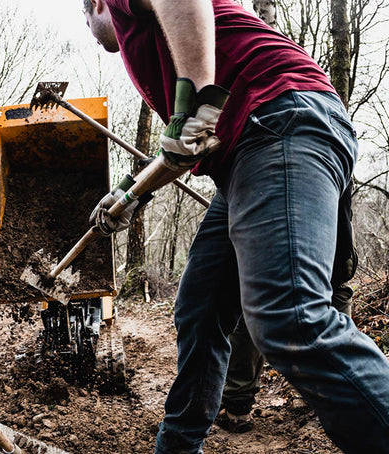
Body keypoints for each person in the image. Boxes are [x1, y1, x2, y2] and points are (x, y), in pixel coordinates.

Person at [82, 0, 389, 453]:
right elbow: (188, 142)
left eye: (83, 17)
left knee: (291, 317)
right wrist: (131, 193)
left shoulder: (130, 11)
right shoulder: (160, 43)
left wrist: (199, 101)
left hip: (281, 121)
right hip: (247, 148)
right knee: (200, 308)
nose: (88, 28)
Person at [218, 182, 358, 432]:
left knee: (253, 300)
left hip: (291, 242)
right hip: (336, 248)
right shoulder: (338, 148)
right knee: (334, 296)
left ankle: (238, 407)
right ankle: (339, 395)